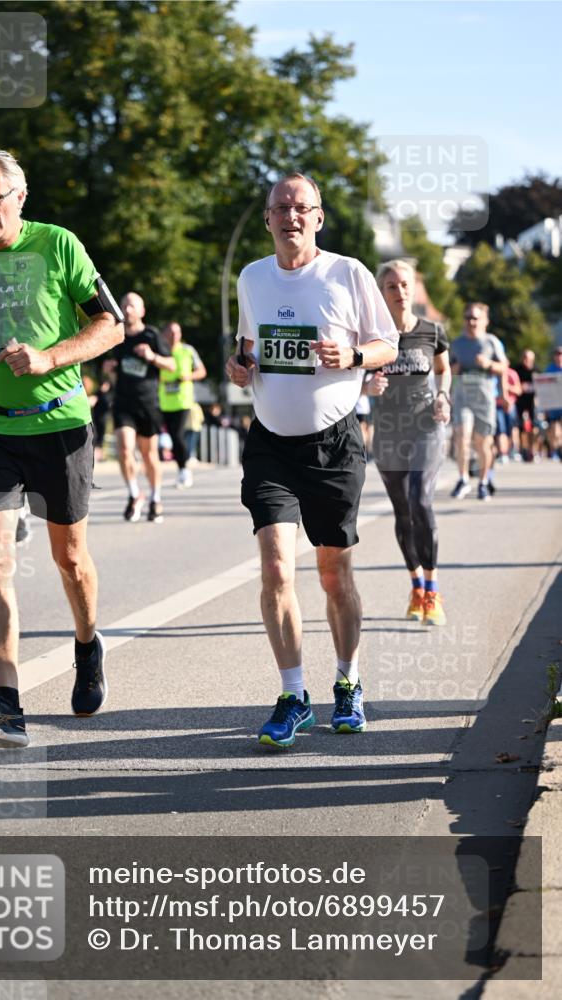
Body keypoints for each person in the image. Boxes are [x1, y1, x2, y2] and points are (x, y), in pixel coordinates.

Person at [0, 147, 124, 748]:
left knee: (69, 560)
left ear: (20, 197)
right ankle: (7, 703)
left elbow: (109, 324)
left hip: (58, 422)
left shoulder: (58, 245)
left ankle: (87, 644)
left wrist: (49, 358)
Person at [225, 172, 398, 749]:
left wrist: (351, 353)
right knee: (276, 567)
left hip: (333, 443)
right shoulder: (252, 277)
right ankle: (293, 694)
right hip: (270, 440)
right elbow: (249, 346)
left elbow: (388, 343)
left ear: (318, 217)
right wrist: (240, 366)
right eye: (281, 208)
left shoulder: (348, 272)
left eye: (302, 208)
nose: (291, 217)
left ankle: (348, 682)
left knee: (333, 573)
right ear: (269, 217)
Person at [368, 259, 452, 626]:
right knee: (403, 511)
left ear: (414, 288)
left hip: (425, 427)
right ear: (381, 291)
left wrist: (443, 396)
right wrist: (367, 385)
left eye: (404, 284)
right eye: (391, 286)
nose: (399, 292)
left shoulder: (432, 331)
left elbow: (443, 370)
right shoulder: (372, 336)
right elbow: (352, 373)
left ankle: (432, 592)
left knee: (421, 500)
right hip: (388, 432)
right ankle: (416, 586)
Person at [112, 292, 174, 523]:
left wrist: (152, 356)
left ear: (142, 311)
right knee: (125, 449)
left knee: (149, 455)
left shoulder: (152, 335)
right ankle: (133, 494)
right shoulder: (115, 336)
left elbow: (171, 364)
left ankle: (156, 498)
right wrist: (109, 367)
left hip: (148, 404)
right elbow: (109, 364)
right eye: (124, 305)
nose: (127, 310)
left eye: (132, 306)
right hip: (123, 402)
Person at [449, 303, 507, 500]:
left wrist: (489, 364)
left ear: (485, 321)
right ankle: (463, 479)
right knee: (461, 437)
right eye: (468, 318)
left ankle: (483, 482)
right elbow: (445, 371)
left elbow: (504, 368)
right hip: (462, 397)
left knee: (483, 442)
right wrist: (453, 372)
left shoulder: (491, 342)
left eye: (475, 318)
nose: (471, 322)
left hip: (484, 399)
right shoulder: (456, 344)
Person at [159, 321, 207, 488]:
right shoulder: (160, 351)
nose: (174, 336)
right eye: (171, 332)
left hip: (184, 401)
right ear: (164, 334)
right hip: (164, 401)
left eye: (177, 332)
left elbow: (202, 371)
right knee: (172, 436)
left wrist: (189, 377)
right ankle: (181, 469)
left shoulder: (187, 350)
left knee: (178, 435)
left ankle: (184, 470)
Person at [513, 349, 540, 462]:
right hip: (519, 401)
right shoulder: (517, 369)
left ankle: (533, 450)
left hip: (532, 402)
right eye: (524, 358)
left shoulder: (536, 370)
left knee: (534, 427)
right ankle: (521, 450)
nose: (526, 360)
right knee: (519, 427)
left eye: (528, 359)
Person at [543, 346, 562, 460]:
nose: (559, 356)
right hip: (553, 405)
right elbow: (543, 389)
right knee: (554, 430)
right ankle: (557, 448)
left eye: (561, 354)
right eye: (557, 354)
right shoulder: (549, 369)